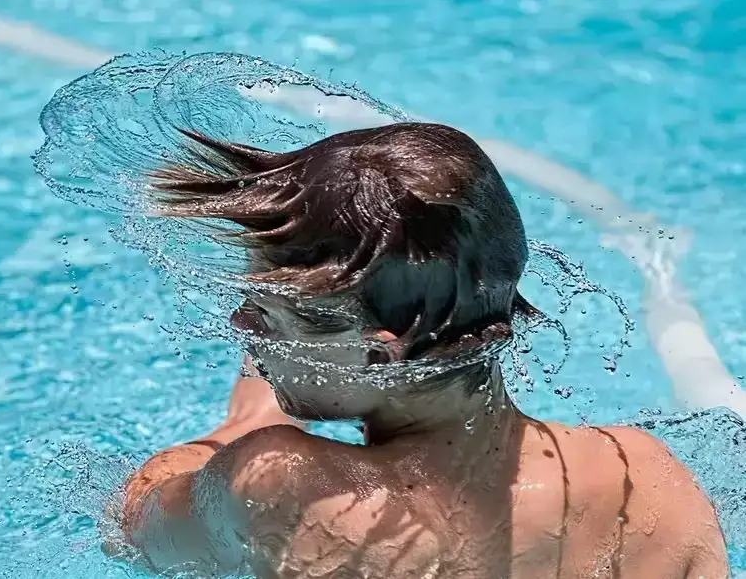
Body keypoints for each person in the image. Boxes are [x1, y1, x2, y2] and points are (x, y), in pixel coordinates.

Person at [117, 123, 728, 578]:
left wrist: (248, 424)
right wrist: (297, 347)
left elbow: (137, 520)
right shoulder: (647, 478)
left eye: (267, 314)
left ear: (381, 354)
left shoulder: (288, 485)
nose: (241, 324)